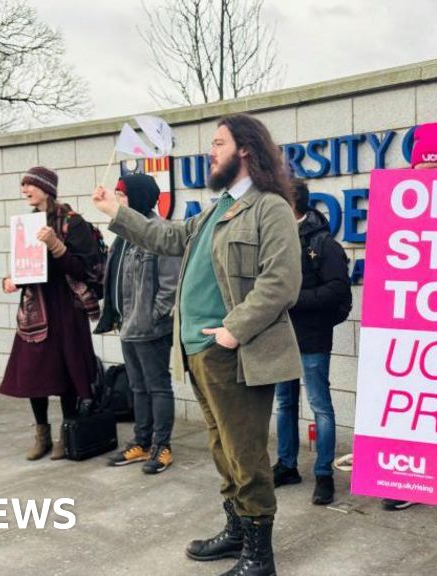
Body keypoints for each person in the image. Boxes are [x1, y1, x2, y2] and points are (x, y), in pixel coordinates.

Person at [93, 113, 301, 576]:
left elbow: (281, 282)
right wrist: (116, 212)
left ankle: (259, 556)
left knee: (245, 453)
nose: (211, 151)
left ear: (245, 149)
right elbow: (167, 237)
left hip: (235, 354)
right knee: (222, 449)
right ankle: (237, 531)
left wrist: (233, 330)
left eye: (219, 142)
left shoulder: (269, 208)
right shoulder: (215, 209)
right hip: (197, 353)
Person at [0, 166, 100, 461]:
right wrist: (11, 279)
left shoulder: (72, 222)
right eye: (23, 185)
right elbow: (26, 265)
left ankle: (67, 434)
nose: (25, 190)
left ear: (47, 188)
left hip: (66, 306)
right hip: (36, 306)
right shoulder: (27, 223)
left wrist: (56, 246)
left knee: (67, 370)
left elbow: (84, 270)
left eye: (30, 185)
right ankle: (41, 434)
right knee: (33, 371)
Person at [380, 122, 437, 513]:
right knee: (416, 411)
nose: (430, 179)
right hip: (414, 327)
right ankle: (413, 482)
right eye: (422, 171)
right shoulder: (398, 201)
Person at [271, 178, 351, 506]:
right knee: (284, 403)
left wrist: (296, 299)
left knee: (320, 405)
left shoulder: (323, 242)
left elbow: (338, 288)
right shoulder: (274, 238)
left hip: (313, 337)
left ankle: (323, 473)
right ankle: (287, 465)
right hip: (281, 337)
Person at [95, 173, 180, 474]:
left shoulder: (159, 232)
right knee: (137, 387)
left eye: (122, 194)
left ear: (139, 197)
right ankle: (141, 442)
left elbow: (170, 285)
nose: (118, 199)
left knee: (158, 387)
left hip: (150, 327)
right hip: (128, 326)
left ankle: (162, 446)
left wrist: (154, 316)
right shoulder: (124, 235)